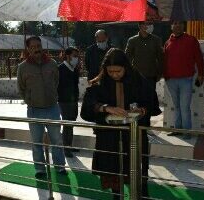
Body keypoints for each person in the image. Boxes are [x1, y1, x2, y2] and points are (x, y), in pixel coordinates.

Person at [81, 48, 161, 199]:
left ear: (126, 67)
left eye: (118, 71)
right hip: (109, 138)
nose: (114, 75)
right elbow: (86, 109)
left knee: (137, 174)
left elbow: (152, 102)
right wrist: (105, 108)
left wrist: (141, 110)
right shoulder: (99, 82)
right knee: (114, 175)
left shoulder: (137, 80)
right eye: (110, 71)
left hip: (133, 137)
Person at [17, 36, 66, 178]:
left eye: (38, 46)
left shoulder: (52, 63)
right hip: (34, 110)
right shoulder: (23, 67)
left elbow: (56, 81)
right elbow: (21, 88)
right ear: (28, 49)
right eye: (33, 47)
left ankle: (60, 167)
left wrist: (51, 96)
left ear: (42, 46)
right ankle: (40, 169)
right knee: (37, 141)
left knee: (56, 140)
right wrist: (29, 100)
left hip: (52, 108)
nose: (36, 49)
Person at [163, 21, 204, 135]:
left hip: (186, 80)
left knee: (184, 107)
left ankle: (186, 132)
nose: (177, 25)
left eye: (180, 23)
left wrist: (201, 74)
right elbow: (164, 61)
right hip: (171, 80)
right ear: (171, 26)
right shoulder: (167, 42)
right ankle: (177, 130)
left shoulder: (191, 40)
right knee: (176, 107)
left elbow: (199, 58)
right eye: (175, 23)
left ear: (183, 26)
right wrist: (165, 76)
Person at [124, 22, 164, 93]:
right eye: (146, 24)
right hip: (137, 76)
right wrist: (128, 73)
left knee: (150, 96)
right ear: (140, 26)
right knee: (138, 96)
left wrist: (160, 73)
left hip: (151, 75)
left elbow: (160, 58)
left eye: (150, 24)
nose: (149, 26)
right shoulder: (132, 40)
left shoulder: (156, 40)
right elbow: (127, 57)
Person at [57, 46, 80, 157]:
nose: (76, 58)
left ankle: (69, 146)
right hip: (64, 101)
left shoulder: (74, 69)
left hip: (73, 101)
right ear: (67, 56)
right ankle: (66, 148)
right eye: (74, 56)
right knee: (67, 124)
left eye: (77, 56)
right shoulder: (60, 69)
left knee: (71, 124)